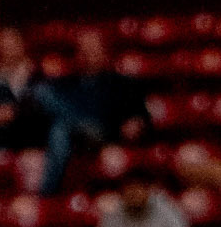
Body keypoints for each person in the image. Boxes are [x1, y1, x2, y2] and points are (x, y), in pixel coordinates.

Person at [37, 29, 150, 195]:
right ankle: (49, 194)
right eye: (84, 50)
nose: (88, 55)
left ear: (105, 52)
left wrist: (136, 122)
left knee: (59, 126)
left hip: (106, 134)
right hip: (75, 136)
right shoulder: (66, 84)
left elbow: (141, 117)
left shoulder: (122, 84)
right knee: (49, 106)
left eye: (93, 49)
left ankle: (47, 193)